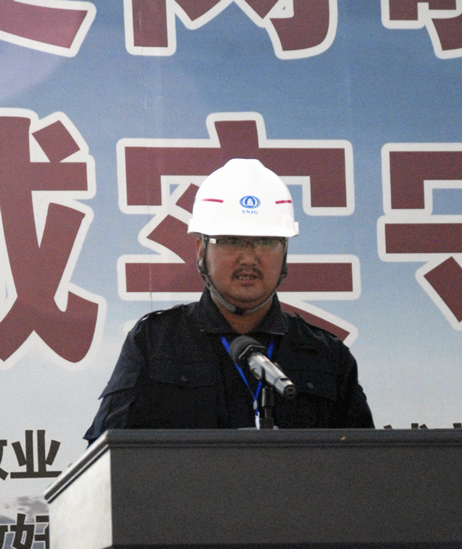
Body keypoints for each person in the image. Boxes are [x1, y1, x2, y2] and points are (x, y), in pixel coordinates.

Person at [84, 159, 373, 442]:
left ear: (285, 251)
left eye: (266, 241)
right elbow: (106, 456)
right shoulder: (154, 342)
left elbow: (366, 463)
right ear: (201, 250)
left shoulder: (327, 356)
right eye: (231, 241)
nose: (249, 258)